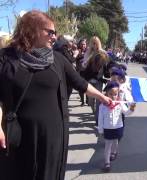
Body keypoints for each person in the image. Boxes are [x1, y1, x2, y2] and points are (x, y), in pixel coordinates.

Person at [0, 10, 111, 180]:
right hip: (18, 136)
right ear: (32, 30)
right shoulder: (6, 59)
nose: (55, 37)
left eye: (55, 33)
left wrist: (103, 97)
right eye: (50, 32)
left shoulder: (58, 59)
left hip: (53, 138)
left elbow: (80, 83)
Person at [98, 81, 135, 172]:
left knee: (116, 141)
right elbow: (100, 119)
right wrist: (100, 130)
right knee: (107, 145)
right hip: (108, 129)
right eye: (111, 94)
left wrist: (132, 108)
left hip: (118, 128)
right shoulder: (102, 106)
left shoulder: (120, 104)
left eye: (115, 94)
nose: (113, 96)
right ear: (106, 93)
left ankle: (114, 153)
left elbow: (126, 113)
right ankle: (107, 163)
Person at [84, 36, 110, 124]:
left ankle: (98, 118)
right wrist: (88, 59)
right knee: (91, 101)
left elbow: (108, 64)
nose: (94, 45)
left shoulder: (103, 53)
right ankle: (95, 112)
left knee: (99, 99)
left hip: (99, 80)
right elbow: (84, 65)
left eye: (96, 43)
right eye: (93, 43)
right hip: (89, 80)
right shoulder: (88, 52)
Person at [75, 39, 88, 106]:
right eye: (82, 44)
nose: (83, 45)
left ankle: (88, 100)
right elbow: (75, 58)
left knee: (87, 86)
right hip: (79, 71)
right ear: (80, 45)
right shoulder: (77, 51)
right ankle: (83, 101)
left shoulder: (88, 52)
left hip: (87, 72)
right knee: (80, 87)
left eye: (84, 44)